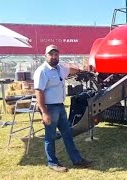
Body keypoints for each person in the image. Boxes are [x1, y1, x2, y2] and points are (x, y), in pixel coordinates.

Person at [33, 44, 93, 172]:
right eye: (51, 54)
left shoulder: (60, 68)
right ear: (46, 56)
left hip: (60, 107)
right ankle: (52, 162)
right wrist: (44, 112)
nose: (54, 57)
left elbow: (71, 70)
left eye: (56, 54)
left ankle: (77, 160)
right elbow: (39, 92)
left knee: (67, 134)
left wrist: (82, 70)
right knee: (50, 136)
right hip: (49, 108)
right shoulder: (42, 71)